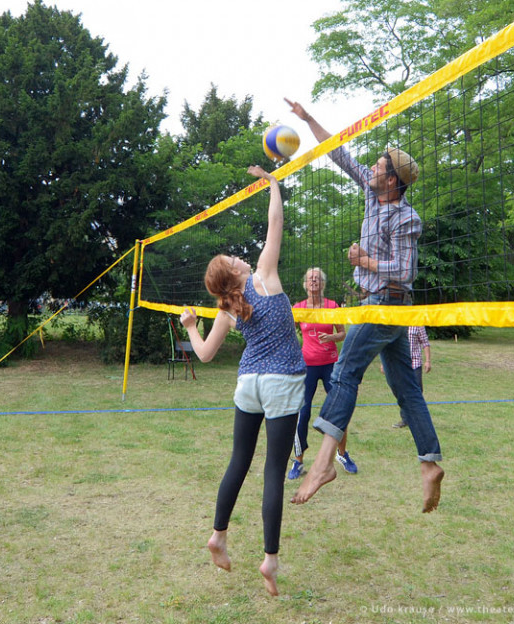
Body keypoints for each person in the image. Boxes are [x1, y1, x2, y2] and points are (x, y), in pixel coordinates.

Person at [286, 98, 445, 513]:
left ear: (393, 180)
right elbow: (339, 152)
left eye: (378, 167)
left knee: (343, 371)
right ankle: (429, 462)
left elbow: (406, 270)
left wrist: (364, 261)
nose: (371, 169)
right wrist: (308, 120)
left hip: (387, 306)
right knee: (407, 390)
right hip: (385, 308)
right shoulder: (373, 198)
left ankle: (322, 465)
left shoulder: (406, 217)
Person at [180, 165, 305, 596]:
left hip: (247, 382)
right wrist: (273, 183)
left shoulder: (227, 307)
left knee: (239, 461)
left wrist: (190, 324)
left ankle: (218, 534)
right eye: (233, 259)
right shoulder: (263, 278)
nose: (239, 256)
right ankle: (269, 560)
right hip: (280, 382)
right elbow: (275, 223)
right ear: (235, 273)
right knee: (273, 469)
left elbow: (204, 354)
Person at [290, 267, 350, 480]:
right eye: (310, 279)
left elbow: (342, 333)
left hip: (330, 365)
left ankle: (342, 454)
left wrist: (332, 337)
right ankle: (298, 461)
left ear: (322, 284)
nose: (313, 281)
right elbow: (288, 331)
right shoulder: (298, 308)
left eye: (317, 279)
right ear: (305, 285)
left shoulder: (332, 306)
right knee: (302, 413)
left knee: (339, 410)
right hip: (307, 366)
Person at [385, 326, 431, 428]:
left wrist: (428, 361)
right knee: (402, 391)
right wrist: (384, 363)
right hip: (402, 364)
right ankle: (405, 419)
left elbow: (425, 343)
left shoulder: (418, 324)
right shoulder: (399, 324)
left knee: (417, 392)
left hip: (415, 364)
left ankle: (420, 420)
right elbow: (389, 344)